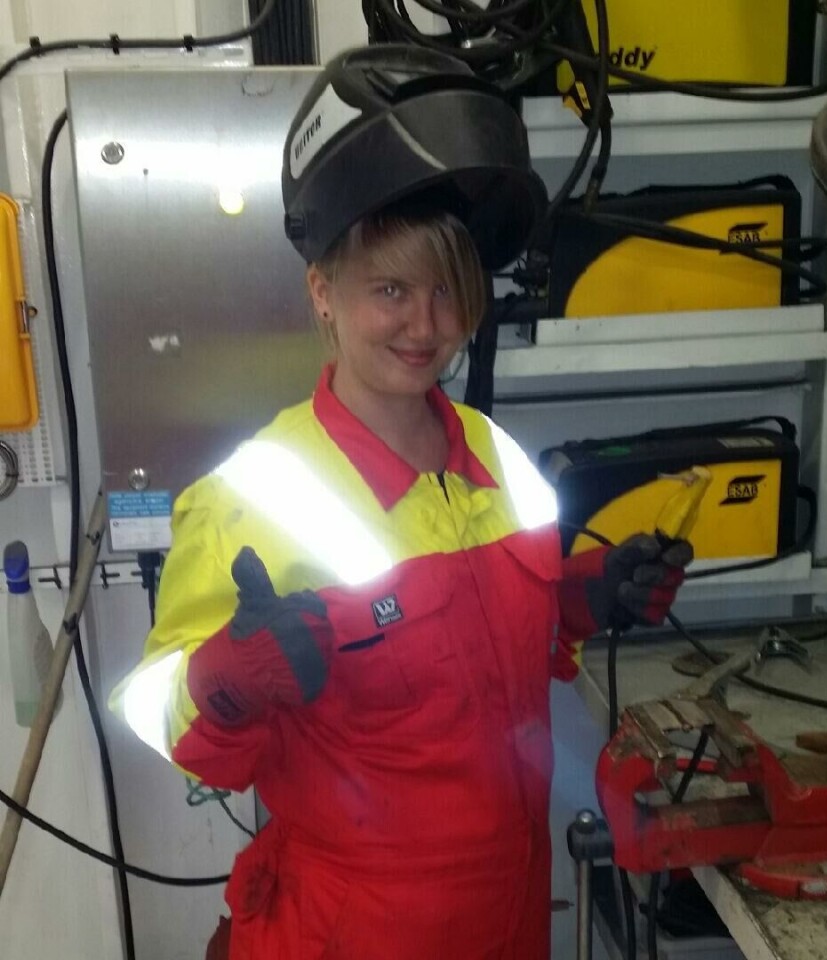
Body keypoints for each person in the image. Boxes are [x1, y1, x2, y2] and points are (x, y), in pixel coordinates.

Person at [112, 45, 692, 960]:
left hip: (509, 913)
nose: (425, 326)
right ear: (323, 295)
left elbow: (503, 634)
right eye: (390, 290)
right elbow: (157, 712)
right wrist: (232, 673)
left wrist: (590, 593)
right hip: (356, 929)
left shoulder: (493, 455)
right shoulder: (246, 499)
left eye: (445, 292)